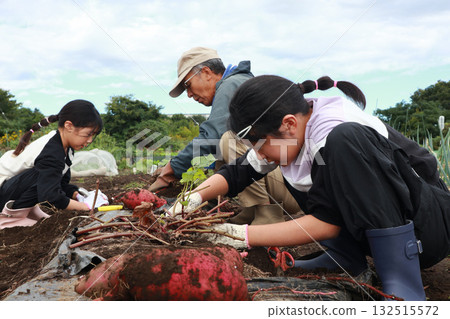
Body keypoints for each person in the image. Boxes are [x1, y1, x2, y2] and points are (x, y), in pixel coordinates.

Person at [168, 75, 450, 301]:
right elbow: (238, 172)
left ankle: (403, 288)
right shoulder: (290, 130)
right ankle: (345, 261)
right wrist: (194, 197)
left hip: (428, 226)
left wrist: (240, 234)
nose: (262, 155)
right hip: (383, 226)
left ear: (289, 124)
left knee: (345, 141)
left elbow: (329, 223)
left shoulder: (335, 131)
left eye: (262, 146)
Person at [149, 47, 300, 225]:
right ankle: (248, 211)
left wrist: (169, 172)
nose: (189, 94)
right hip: (290, 184)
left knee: (229, 139)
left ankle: (265, 214)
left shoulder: (230, 85)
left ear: (206, 72)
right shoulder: (238, 83)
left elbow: (210, 138)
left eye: (188, 85)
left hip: (293, 189)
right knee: (223, 144)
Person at [0, 100, 105, 229]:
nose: (89, 140)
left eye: (93, 135)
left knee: (47, 178)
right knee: (41, 177)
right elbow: (50, 195)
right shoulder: (52, 151)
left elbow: (60, 184)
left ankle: (24, 211)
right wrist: (86, 207)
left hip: (13, 189)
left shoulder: (67, 148)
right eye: (88, 134)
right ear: (69, 126)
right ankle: (8, 218)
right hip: (3, 192)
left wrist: (79, 195)